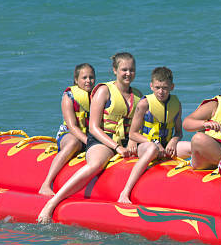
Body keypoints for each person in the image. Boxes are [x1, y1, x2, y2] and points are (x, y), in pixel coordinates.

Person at [37, 52, 142, 223]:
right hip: (103, 139)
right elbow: (93, 127)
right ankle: (52, 202)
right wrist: (116, 147)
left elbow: (136, 127)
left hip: (125, 142)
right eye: (124, 69)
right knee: (96, 164)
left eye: (132, 70)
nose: (128, 73)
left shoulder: (137, 96)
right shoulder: (103, 91)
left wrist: (131, 142)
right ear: (115, 70)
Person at [118, 67, 190, 204]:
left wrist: (174, 141)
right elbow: (133, 134)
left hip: (166, 146)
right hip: (145, 146)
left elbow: (179, 132)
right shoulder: (144, 103)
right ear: (151, 86)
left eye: (165, 88)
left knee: (192, 146)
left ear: (172, 87)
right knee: (152, 149)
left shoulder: (176, 104)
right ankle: (125, 192)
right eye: (157, 87)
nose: (161, 92)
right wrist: (155, 143)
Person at [39, 63, 96, 196]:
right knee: (73, 143)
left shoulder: (98, 96)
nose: (88, 81)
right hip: (69, 134)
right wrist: (88, 141)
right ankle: (46, 183)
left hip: (90, 136)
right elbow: (72, 126)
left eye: (91, 77)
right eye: (84, 77)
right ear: (76, 80)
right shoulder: (69, 96)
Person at [182, 72, 221, 169]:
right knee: (198, 138)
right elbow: (187, 123)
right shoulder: (214, 105)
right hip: (208, 155)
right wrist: (205, 124)